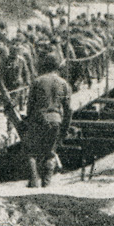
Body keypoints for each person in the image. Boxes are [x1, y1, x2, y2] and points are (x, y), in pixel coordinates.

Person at [23, 53, 72, 188]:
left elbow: (30, 106)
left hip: (38, 119)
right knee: (50, 153)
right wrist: (65, 129)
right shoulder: (64, 84)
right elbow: (68, 111)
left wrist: (29, 122)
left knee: (32, 152)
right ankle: (46, 184)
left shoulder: (37, 81)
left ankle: (34, 183)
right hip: (56, 120)